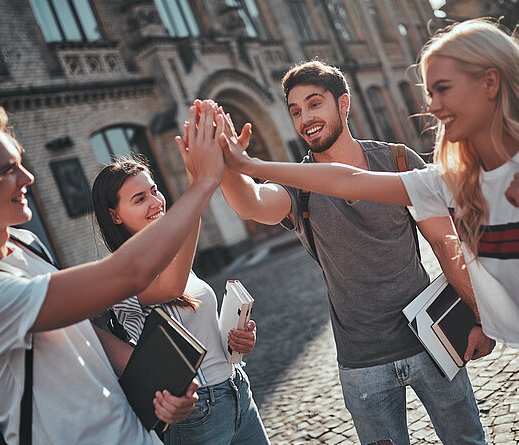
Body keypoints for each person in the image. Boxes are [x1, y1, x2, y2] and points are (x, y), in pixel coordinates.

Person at [202, 56, 495, 445]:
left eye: (314, 103)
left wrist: (479, 318)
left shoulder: (396, 161)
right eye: (295, 111)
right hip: (363, 364)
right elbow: (252, 204)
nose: (305, 117)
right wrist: (226, 163)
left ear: (343, 104)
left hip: (433, 340)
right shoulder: (298, 187)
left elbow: (446, 246)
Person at [219, 19, 519, 350]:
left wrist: (480, 317)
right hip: (363, 353)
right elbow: (347, 181)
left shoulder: (409, 164)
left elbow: (444, 244)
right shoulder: (448, 180)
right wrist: (242, 166)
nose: (432, 107)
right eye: (430, 94)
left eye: (443, 89)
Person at [0, 100, 226, 445]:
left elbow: (80, 332)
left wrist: (160, 385)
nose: (27, 178)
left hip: (142, 444)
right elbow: (129, 273)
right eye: (8, 170)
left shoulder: (24, 241)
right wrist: (202, 183)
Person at [91, 100, 274, 445]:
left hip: (238, 391)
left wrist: (238, 341)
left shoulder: (174, 256)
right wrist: (199, 184)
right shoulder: (123, 273)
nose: (156, 202)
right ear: (115, 215)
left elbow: (199, 332)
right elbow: (170, 290)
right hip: (195, 416)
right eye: (139, 199)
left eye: (155, 191)